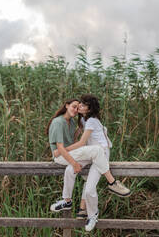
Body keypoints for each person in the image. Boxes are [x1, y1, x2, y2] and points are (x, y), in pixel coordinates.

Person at [47, 95, 131, 232]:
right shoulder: (81, 120)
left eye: (82, 105)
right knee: (70, 169)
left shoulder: (91, 121)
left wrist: (61, 151)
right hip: (92, 154)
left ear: (89, 108)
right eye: (77, 105)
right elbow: (80, 141)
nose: (79, 106)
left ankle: (100, 202)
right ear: (66, 105)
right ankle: (67, 201)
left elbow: (80, 143)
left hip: (100, 155)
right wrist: (65, 154)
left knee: (90, 189)